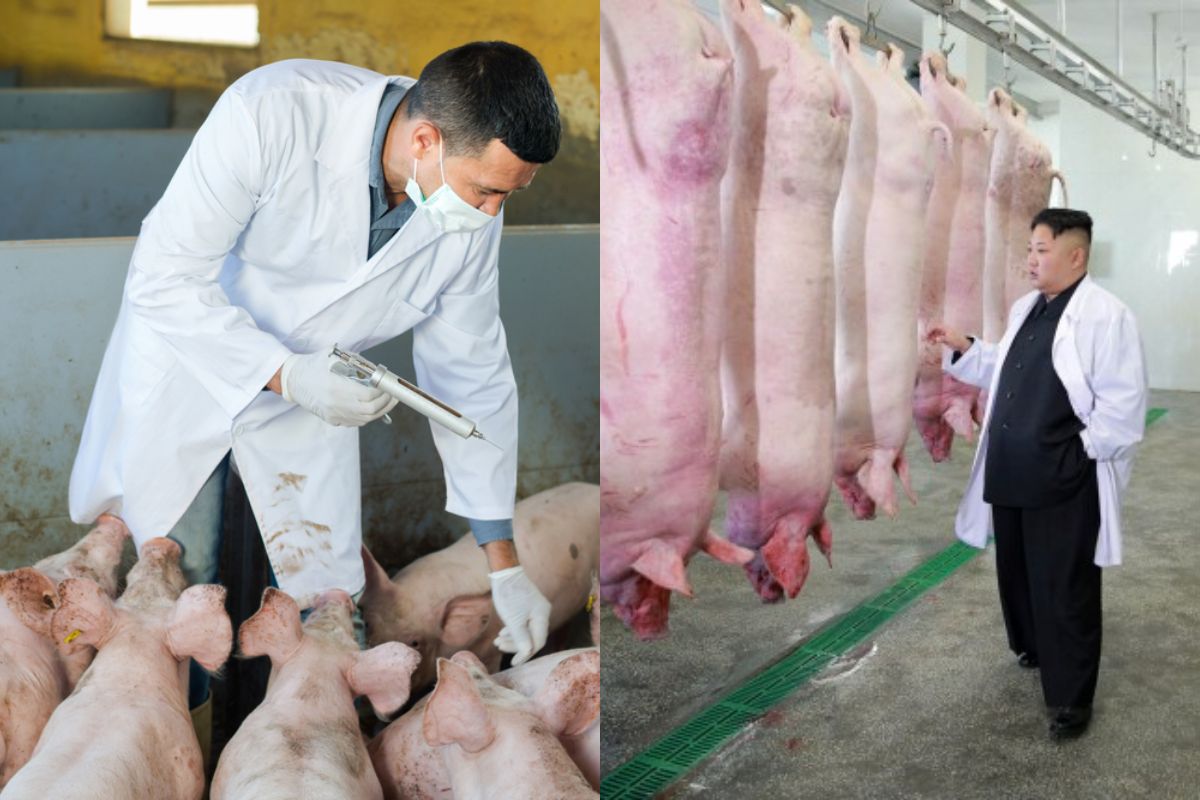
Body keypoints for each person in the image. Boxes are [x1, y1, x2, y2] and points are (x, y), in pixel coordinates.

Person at [67, 43, 561, 715]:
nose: (492, 212)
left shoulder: (467, 212)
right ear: (425, 141)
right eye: (487, 191)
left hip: (311, 411)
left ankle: (268, 745)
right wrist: (285, 374)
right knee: (172, 604)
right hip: (195, 373)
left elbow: (471, 374)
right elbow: (164, 276)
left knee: (312, 616)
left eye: (508, 195)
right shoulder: (273, 112)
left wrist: (503, 563)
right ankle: (173, 742)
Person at [927, 208, 1147, 740]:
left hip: (1063, 477)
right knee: (1019, 572)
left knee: (1065, 584)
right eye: (1029, 248)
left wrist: (1077, 453)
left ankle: (1070, 699)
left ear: (1076, 255)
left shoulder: (1107, 316)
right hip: (1011, 471)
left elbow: (1124, 405)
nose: (1030, 259)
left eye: (1041, 250)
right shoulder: (1027, 307)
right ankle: (1031, 645)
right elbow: (1007, 365)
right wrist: (965, 347)